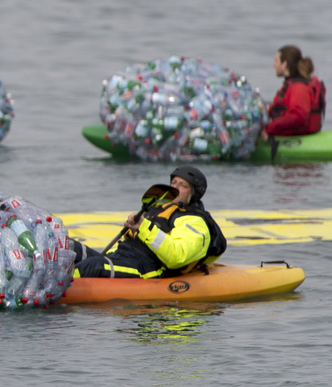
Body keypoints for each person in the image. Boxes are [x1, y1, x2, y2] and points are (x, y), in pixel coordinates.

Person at [72, 166, 225, 279]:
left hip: (148, 268)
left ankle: (56, 289)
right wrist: (135, 226)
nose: (176, 187)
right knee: (70, 247)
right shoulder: (159, 208)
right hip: (121, 256)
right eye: (174, 182)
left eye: (183, 185)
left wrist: (144, 227)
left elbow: (176, 257)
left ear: (194, 194)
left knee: (91, 267)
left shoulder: (195, 221)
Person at [262, 46, 325, 139]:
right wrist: (270, 110)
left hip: (299, 136)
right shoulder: (291, 84)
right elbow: (284, 108)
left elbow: (298, 118)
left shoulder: (299, 87)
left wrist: (268, 129)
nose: (273, 64)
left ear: (284, 64)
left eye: (276, 61)